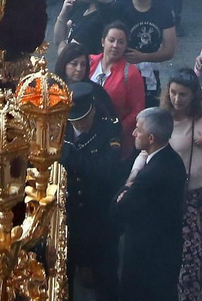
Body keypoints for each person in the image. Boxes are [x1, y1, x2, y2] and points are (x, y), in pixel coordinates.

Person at [61, 81, 125, 301]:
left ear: (93, 110)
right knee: (63, 275)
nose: (79, 124)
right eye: (74, 120)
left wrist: (70, 156)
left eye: (83, 118)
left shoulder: (109, 129)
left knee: (106, 276)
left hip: (98, 215)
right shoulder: (60, 126)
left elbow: (106, 170)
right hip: (68, 215)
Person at [115, 106, 186, 301]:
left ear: (151, 138)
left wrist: (126, 187)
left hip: (146, 257)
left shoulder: (151, 175)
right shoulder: (172, 160)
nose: (134, 133)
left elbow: (120, 208)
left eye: (139, 129)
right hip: (165, 251)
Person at [162, 70, 202, 301]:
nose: (177, 99)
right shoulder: (164, 116)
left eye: (183, 94)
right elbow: (148, 151)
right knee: (189, 259)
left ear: (194, 95)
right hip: (178, 197)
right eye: (173, 93)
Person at [117, 0, 177, 102]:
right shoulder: (119, 9)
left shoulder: (163, 10)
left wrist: (143, 57)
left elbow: (169, 50)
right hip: (121, 71)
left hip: (150, 75)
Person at [89, 21, 147, 155]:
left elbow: (138, 109)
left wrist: (117, 128)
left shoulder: (131, 73)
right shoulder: (88, 62)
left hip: (114, 141)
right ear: (103, 41)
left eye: (121, 42)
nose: (115, 45)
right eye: (111, 40)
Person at [51, 0, 117, 55]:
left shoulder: (95, 22)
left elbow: (67, 55)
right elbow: (57, 39)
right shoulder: (84, 8)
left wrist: (62, 44)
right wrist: (64, 13)